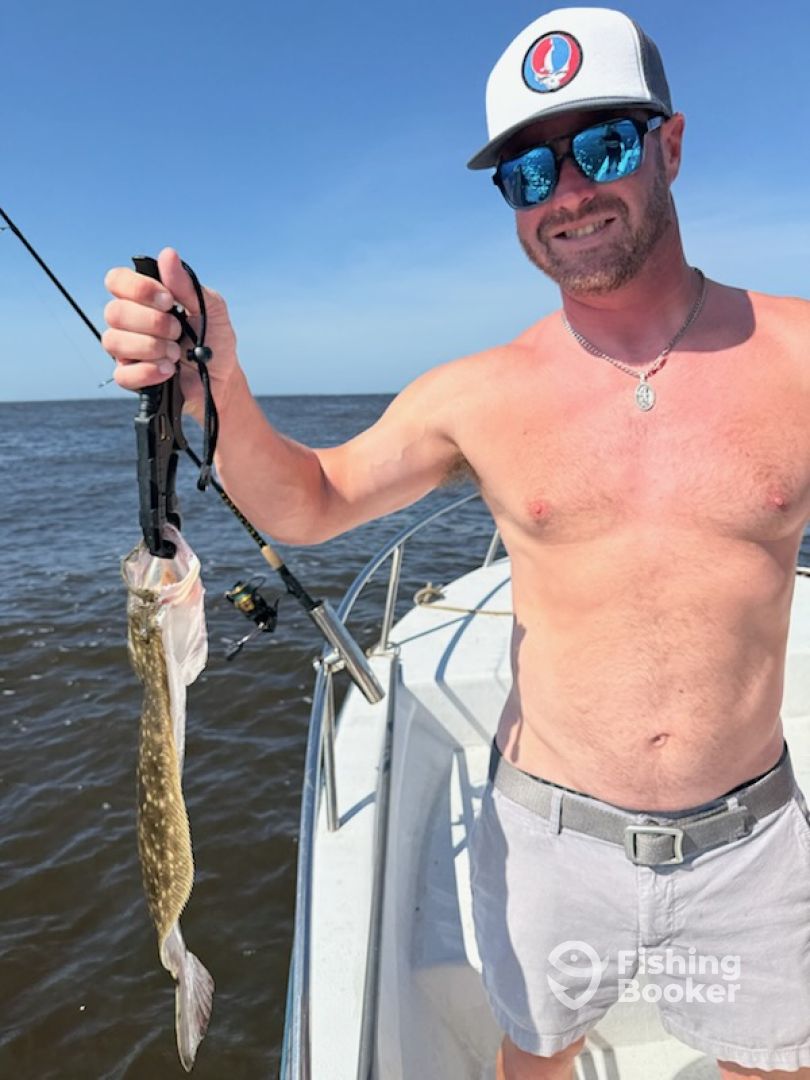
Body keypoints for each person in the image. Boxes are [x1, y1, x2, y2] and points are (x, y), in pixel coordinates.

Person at [103, 7, 810, 1078]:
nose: (566, 193)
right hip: (548, 841)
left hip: (748, 842)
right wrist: (222, 386)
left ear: (669, 145)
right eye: (526, 173)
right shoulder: (477, 394)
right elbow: (312, 499)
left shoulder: (796, 356)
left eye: (601, 147)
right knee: (534, 1058)